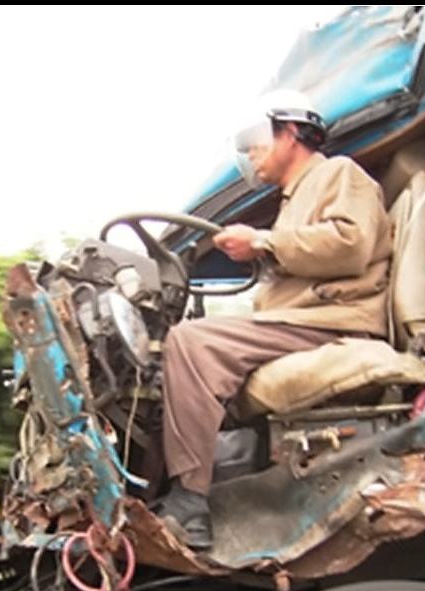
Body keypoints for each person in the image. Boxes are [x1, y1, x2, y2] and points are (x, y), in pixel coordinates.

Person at [159, 90, 393, 549]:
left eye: (255, 141)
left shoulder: (338, 173)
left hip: (333, 320)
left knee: (192, 343)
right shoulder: (293, 198)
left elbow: (349, 245)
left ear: (290, 133)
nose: (249, 155)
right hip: (306, 319)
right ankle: (166, 495)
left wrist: (264, 243)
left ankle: (188, 505)